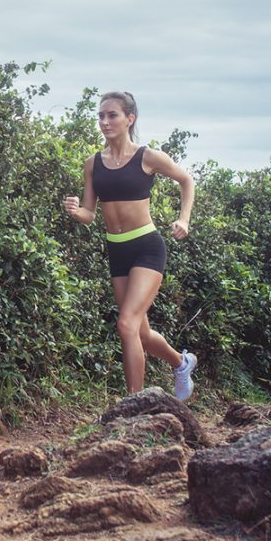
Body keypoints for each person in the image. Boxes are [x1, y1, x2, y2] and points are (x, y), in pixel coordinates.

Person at [63, 91, 198, 400]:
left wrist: (184, 219)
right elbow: (89, 213)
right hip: (117, 250)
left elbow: (186, 181)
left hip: (147, 247)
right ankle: (182, 362)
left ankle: (132, 406)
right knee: (141, 333)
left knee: (126, 325)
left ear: (129, 119)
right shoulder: (93, 163)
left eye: (112, 115)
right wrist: (75, 210)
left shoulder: (147, 157)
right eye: (101, 116)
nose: (105, 121)